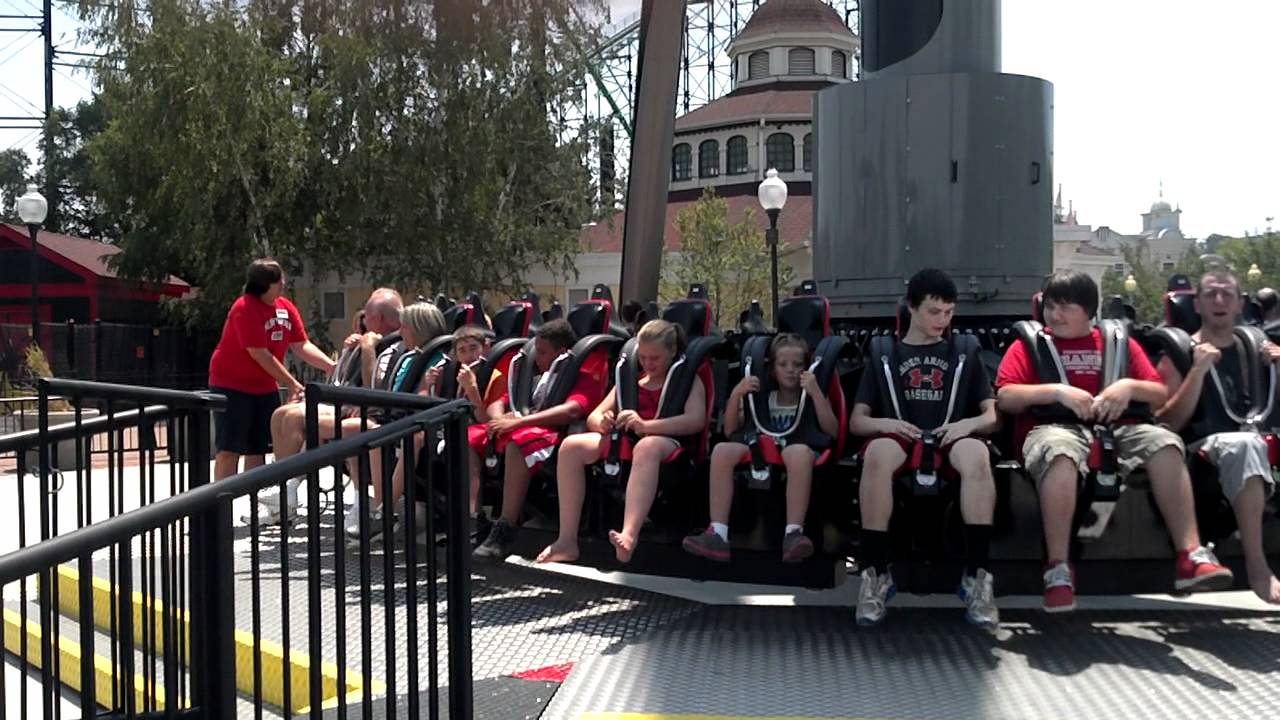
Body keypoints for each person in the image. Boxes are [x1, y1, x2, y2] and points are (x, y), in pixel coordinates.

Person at [996, 270, 1233, 613]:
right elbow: (1006, 396)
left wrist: (1128, 387)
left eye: (1066, 307)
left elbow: (1157, 393)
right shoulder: (1028, 347)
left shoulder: (1118, 343)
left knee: (1164, 443)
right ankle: (1058, 569)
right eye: (1050, 306)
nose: (1055, 315)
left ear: (1089, 311)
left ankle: (1190, 555)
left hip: (1120, 428)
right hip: (1056, 428)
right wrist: (1057, 392)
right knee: (1059, 453)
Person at [848, 269, 1000, 627]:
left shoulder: (964, 351)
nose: (942, 320)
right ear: (912, 309)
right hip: (903, 436)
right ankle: (875, 574)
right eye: (934, 312)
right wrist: (883, 424)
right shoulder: (885, 353)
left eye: (948, 312)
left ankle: (977, 577)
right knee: (877, 454)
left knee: (977, 455)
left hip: (952, 435)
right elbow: (858, 420)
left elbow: (992, 414)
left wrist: (968, 424)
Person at [537, 319, 706, 565]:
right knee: (571, 446)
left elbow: (695, 420)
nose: (648, 364)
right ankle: (566, 540)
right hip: (626, 440)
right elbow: (595, 415)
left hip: (667, 443)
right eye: (644, 357)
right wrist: (602, 422)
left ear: (672, 352)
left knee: (646, 446)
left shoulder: (687, 380)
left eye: (655, 358)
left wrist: (647, 427)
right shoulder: (630, 381)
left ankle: (629, 535)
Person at [1156, 270, 1280, 604]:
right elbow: (1168, 420)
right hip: (1200, 459)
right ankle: (1257, 565)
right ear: (1196, 304)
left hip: (1256, 450)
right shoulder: (1179, 352)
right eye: (1210, 294)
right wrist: (1196, 370)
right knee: (1245, 445)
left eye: (1227, 294)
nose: (1219, 301)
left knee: (1249, 446)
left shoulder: (1258, 351)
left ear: (1241, 303)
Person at [683, 333, 838, 564]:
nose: (790, 370)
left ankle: (794, 533)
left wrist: (815, 392)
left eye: (797, 365)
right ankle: (718, 532)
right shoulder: (764, 401)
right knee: (722, 451)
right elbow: (730, 429)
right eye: (783, 364)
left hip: (798, 449)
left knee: (798, 453)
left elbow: (832, 430)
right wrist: (737, 394)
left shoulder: (812, 398)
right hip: (760, 447)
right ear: (772, 370)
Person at [254, 288, 405, 523]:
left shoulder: (392, 345)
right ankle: (284, 495)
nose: (363, 321)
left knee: (296, 418)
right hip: (350, 405)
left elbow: (376, 389)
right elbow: (343, 377)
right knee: (281, 414)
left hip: (364, 411)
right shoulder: (372, 341)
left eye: (367, 316)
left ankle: (288, 492)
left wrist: (367, 349)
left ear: (378, 319)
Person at [473, 319, 605, 559]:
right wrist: (498, 419)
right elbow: (499, 401)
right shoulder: (534, 377)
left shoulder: (583, 377)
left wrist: (519, 422)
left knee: (518, 443)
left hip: (558, 435)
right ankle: (473, 517)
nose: (537, 358)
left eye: (543, 353)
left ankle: (506, 527)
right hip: (524, 426)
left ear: (561, 352)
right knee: (469, 437)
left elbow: (573, 410)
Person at [208, 259, 335, 480]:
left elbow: (301, 345)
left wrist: (330, 365)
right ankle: (221, 506)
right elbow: (259, 353)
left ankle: (253, 501)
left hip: (264, 387)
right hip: (231, 386)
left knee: (259, 448)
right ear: (264, 284)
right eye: (278, 280)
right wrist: (291, 382)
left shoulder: (286, 308)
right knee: (229, 449)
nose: (283, 283)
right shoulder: (244, 308)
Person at [341, 301, 448, 540]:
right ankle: (369, 508)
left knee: (377, 435)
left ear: (420, 329)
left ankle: (383, 514)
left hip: (424, 421)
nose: (401, 332)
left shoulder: (438, 360)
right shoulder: (409, 358)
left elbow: (424, 399)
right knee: (363, 434)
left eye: (405, 327)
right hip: (396, 416)